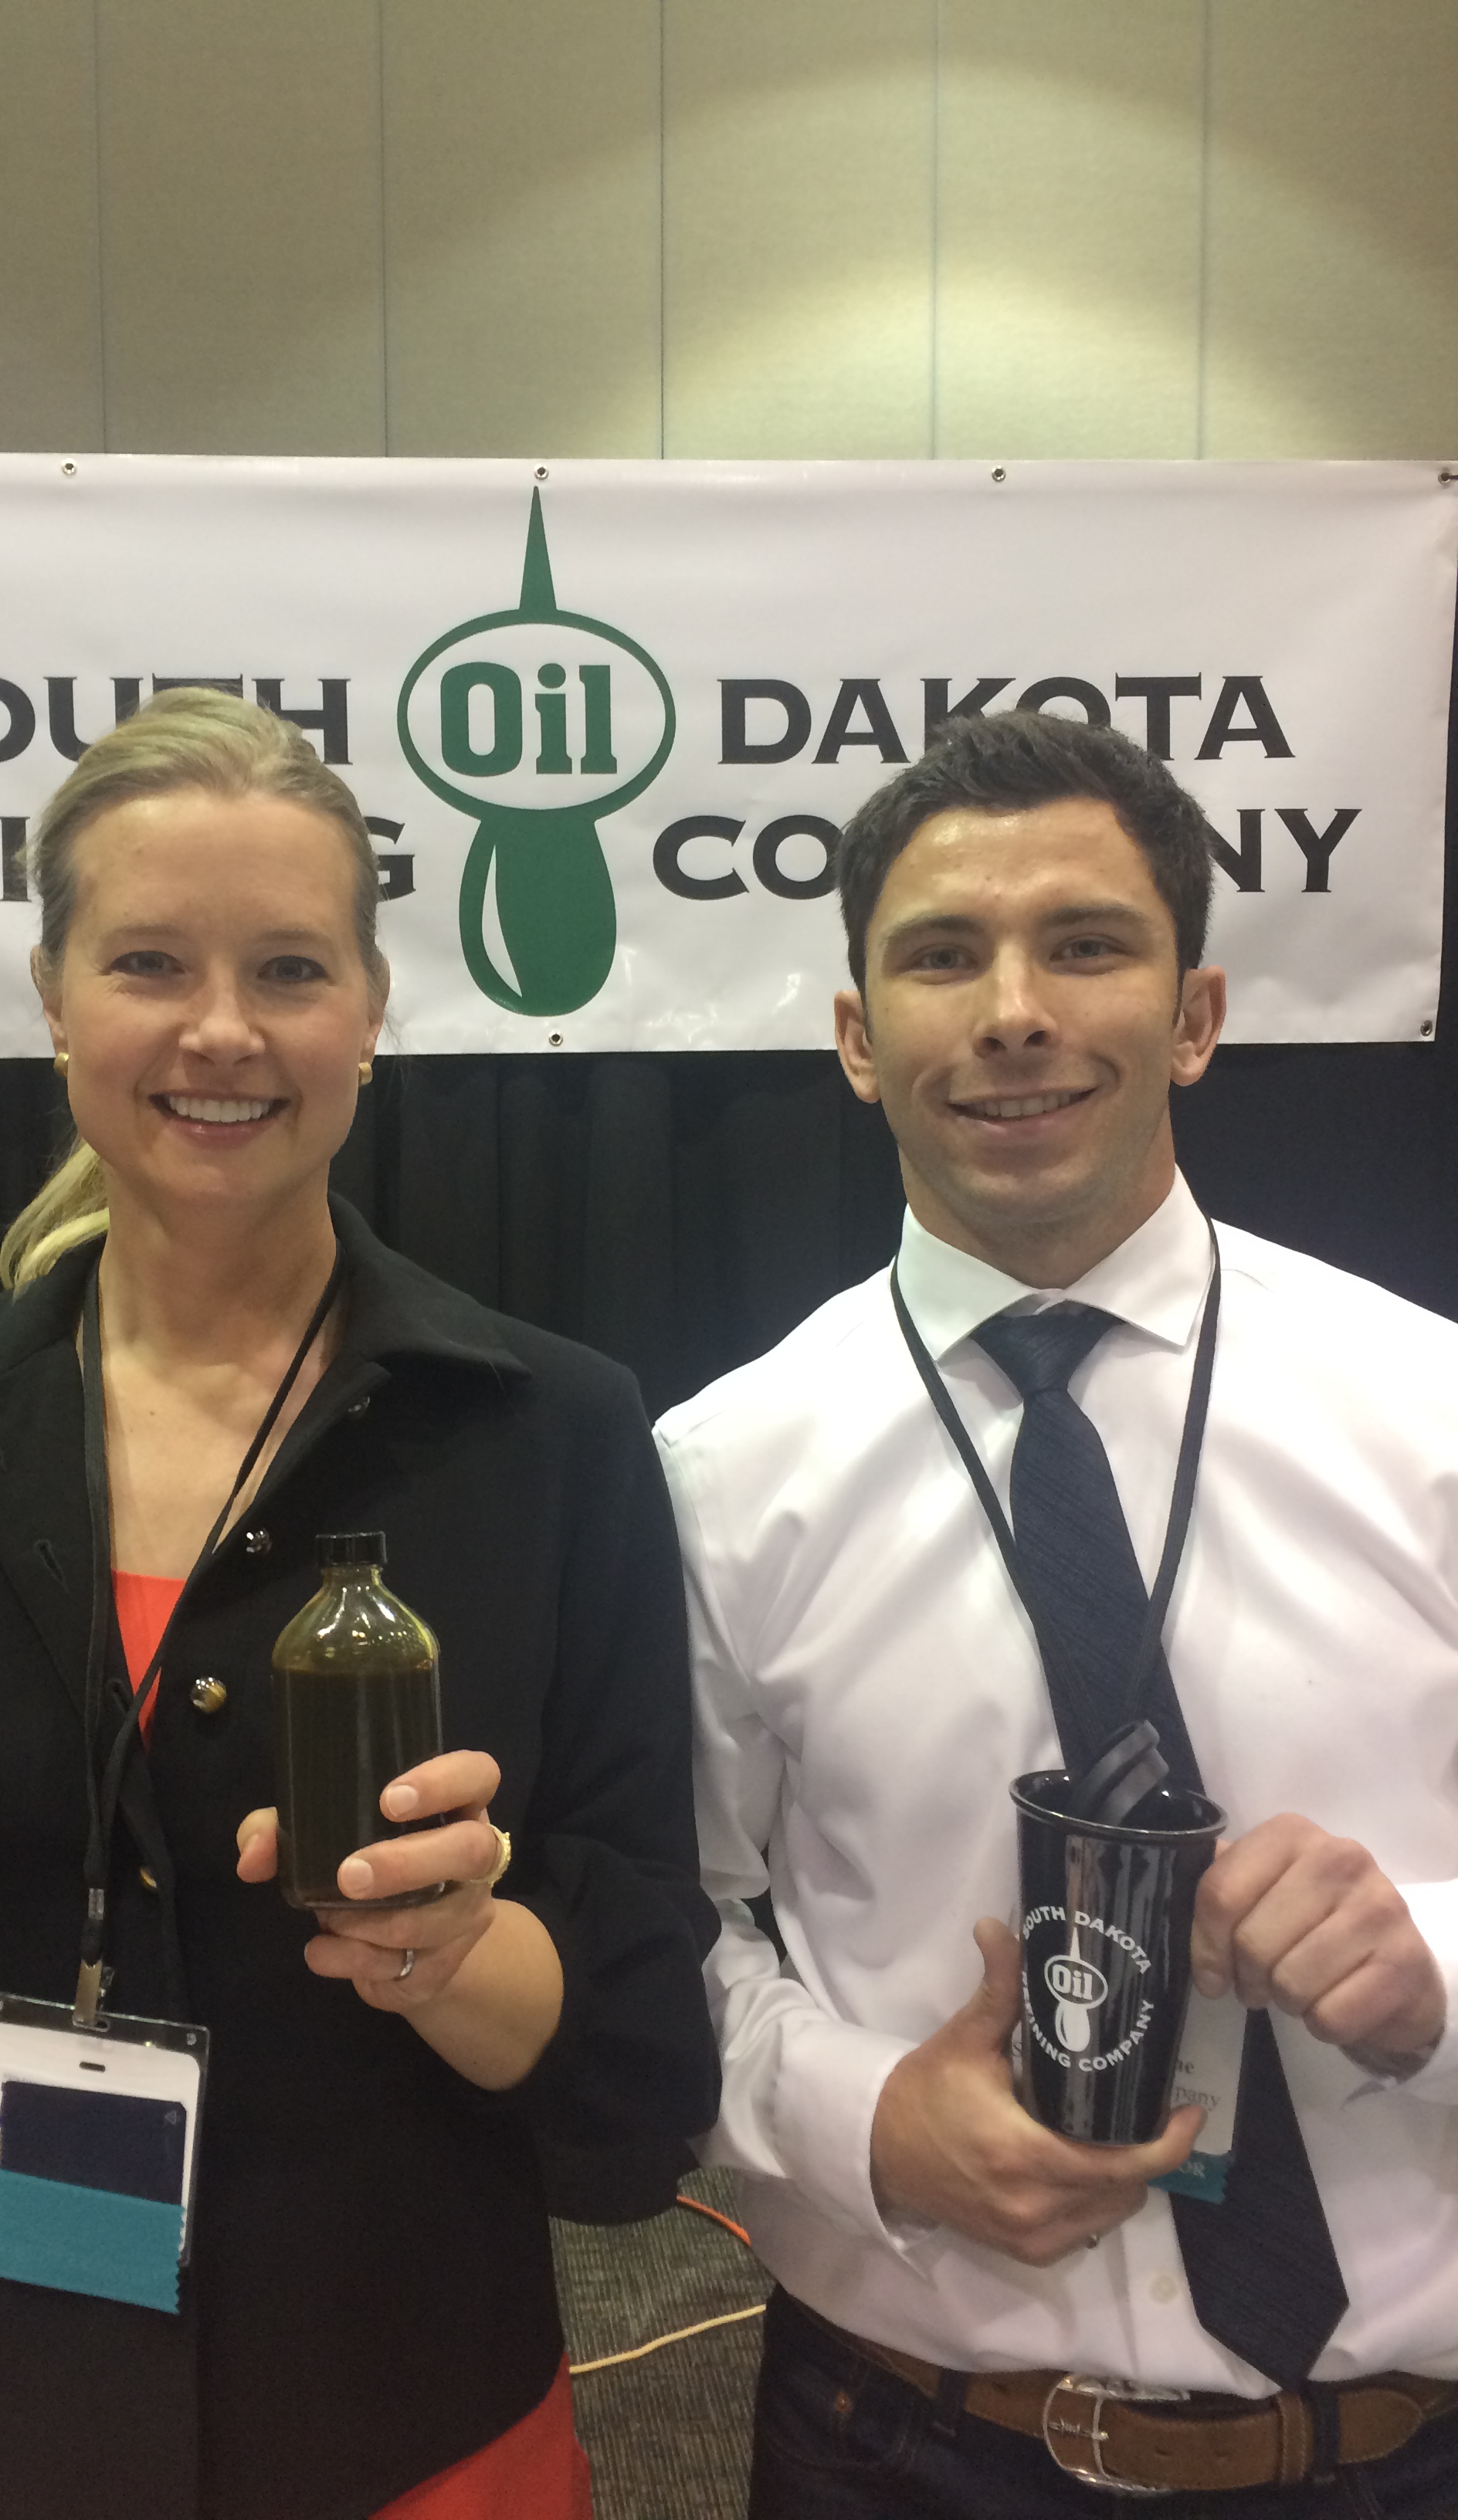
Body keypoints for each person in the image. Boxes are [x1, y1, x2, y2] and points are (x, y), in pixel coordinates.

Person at [0, 689, 721, 2520]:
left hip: (403, 2429)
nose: (221, 1029)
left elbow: (637, 2062)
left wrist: (454, 1951)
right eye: (147, 963)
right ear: (53, 998)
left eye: (289, 968)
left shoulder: (551, 1439)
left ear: (372, 1013)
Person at [655, 710, 1458, 2516]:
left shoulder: (1434, 1417)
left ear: (1196, 1015)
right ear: (858, 1038)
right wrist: (862, 2118)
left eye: (1085, 945)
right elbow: (666, 1921)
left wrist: (1436, 1970)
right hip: (905, 2443)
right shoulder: (720, 1474)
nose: (1013, 1011)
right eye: (944, 956)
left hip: (1403, 2449)